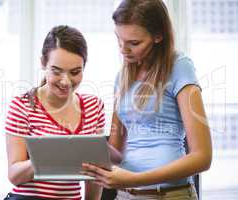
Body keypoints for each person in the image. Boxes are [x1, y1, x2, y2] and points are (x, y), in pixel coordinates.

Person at [81, 0, 212, 199]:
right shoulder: (122, 76)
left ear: (158, 36)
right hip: (125, 195)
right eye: (119, 39)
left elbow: (202, 157)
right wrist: (80, 144)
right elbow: (116, 151)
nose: (123, 50)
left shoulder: (179, 66)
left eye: (134, 43)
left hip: (169, 194)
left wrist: (134, 179)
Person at [4, 25, 106, 200]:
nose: (65, 82)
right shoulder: (22, 105)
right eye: (56, 71)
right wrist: (48, 156)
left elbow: (94, 175)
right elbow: (14, 176)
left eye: (75, 72)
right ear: (43, 63)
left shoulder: (93, 107)